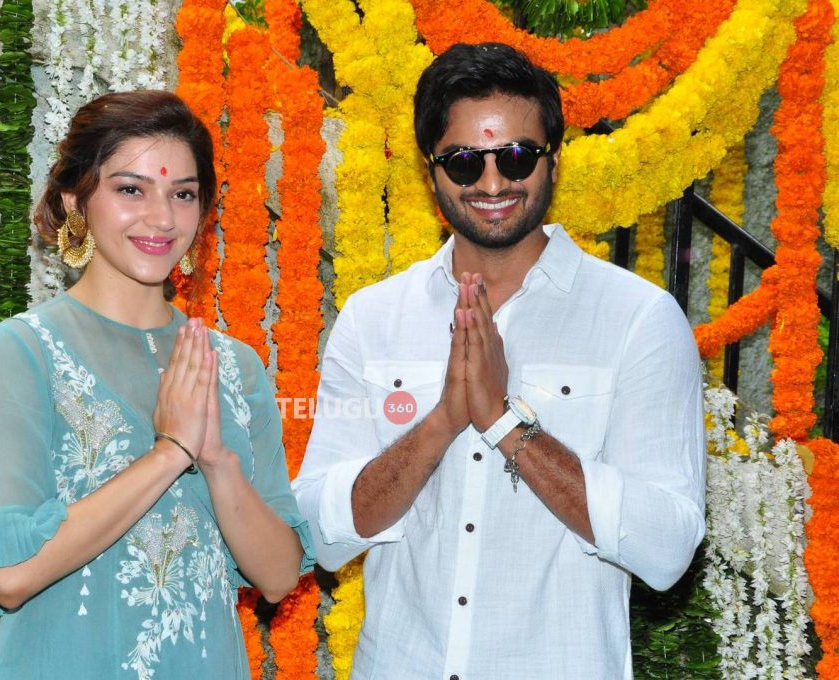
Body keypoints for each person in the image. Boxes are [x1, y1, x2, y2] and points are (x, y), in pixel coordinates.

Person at [293, 43, 706, 679]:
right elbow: (319, 534)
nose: (491, 184)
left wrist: (504, 422)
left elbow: (666, 546)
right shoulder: (374, 317)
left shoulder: (637, 319)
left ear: (553, 160)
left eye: (516, 157)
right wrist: (443, 422)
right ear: (430, 171)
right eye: (464, 162)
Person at [0, 90, 313, 679]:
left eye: (183, 194)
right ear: (76, 200)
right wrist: (171, 453)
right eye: (131, 189)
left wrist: (216, 462)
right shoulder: (19, 352)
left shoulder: (234, 366)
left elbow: (277, 576)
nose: (162, 218)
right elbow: (9, 577)